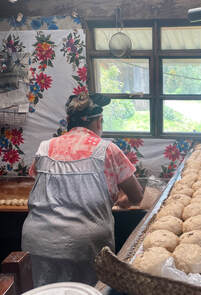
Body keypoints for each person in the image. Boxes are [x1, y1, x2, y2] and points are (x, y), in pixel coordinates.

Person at [21, 92, 144, 287]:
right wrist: (123, 202)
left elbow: (44, 186)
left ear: (68, 120)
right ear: (99, 122)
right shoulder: (108, 150)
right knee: (86, 290)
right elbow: (137, 196)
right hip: (84, 246)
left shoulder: (44, 148)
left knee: (45, 290)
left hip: (37, 241)